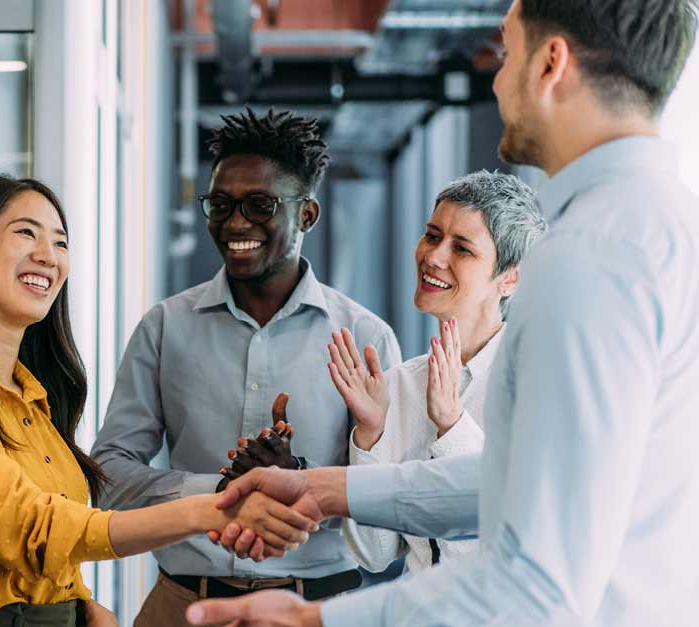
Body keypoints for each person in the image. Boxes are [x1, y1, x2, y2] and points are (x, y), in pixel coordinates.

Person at [188, 0, 699, 625]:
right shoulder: (660, 225)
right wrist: (325, 490)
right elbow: (514, 484)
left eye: (506, 51)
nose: (495, 76)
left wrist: (317, 620)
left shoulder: (592, 254)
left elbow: (536, 580)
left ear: (551, 63)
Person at [0, 175, 318, 626]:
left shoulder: (35, 401)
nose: (47, 256)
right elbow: (31, 530)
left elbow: (57, 535)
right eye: (26, 232)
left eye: (60, 242)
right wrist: (212, 507)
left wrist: (80, 601)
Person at [89, 107, 400, 624]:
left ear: (307, 215)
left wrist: (299, 486)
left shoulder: (365, 339)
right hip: (184, 605)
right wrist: (220, 491)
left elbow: (387, 525)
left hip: (320, 609)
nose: (236, 224)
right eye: (221, 205)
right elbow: (108, 481)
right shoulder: (165, 328)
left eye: (260, 205)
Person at [325, 171, 544, 573]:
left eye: (462, 248)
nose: (433, 256)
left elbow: (519, 536)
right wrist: (369, 434)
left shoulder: (540, 383)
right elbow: (373, 555)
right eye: (432, 235)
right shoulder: (398, 385)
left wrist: (452, 425)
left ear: (510, 278)